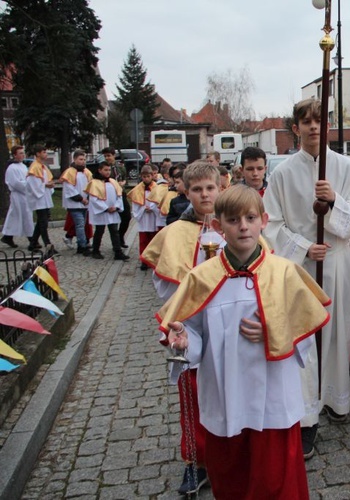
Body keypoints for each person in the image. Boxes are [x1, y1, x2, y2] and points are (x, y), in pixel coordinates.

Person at [161, 185, 330, 499]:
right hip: (226, 396)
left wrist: (274, 334)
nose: (243, 226)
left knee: (276, 480)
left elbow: (304, 334)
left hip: (275, 398)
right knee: (232, 478)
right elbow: (195, 338)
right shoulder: (201, 278)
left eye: (250, 218)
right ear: (217, 226)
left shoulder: (284, 273)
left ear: (263, 221)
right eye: (233, 219)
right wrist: (184, 341)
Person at [263, 98, 350, 458]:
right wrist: (305, 247)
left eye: (319, 121)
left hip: (338, 263)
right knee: (305, 343)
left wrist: (335, 199)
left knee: (337, 331)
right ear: (296, 128)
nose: (313, 127)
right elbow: (271, 225)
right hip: (300, 268)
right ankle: (307, 415)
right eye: (306, 121)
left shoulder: (346, 167)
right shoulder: (281, 174)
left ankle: (336, 399)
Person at [141, 161, 222, 495]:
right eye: (197, 189)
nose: (204, 194)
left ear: (221, 187)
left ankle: (227, 455)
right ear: (186, 192)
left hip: (226, 323)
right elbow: (164, 288)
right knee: (192, 395)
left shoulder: (233, 225)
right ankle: (196, 462)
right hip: (190, 324)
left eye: (210, 187)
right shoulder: (174, 233)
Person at [84, 161, 129, 261]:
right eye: (105, 170)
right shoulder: (94, 183)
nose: (108, 172)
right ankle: (95, 250)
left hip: (113, 211)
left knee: (114, 231)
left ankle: (118, 252)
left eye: (109, 170)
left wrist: (116, 207)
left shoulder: (113, 182)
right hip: (101, 212)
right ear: (99, 170)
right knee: (99, 231)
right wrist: (105, 208)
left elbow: (119, 196)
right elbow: (94, 199)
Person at [60, 150, 93, 255]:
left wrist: (87, 198)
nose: (83, 161)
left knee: (81, 225)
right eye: (80, 159)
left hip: (85, 204)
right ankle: (82, 246)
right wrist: (81, 199)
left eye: (84, 159)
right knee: (79, 224)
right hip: (74, 204)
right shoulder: (69, 172)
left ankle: (82, 244)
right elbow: (69, 189)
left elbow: (90, 186)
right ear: (74, 159)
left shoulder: (87, 172)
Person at [1, 145, 34, 248]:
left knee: (16, 217)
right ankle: (32, 239)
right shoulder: (12, 168)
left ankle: (8, 236)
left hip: (24, 196)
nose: (23, 155)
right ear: (15, 155)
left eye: (23, 153)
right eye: (20, 153)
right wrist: (28, 186)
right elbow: (15, 183)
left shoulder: (23, 166)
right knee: (23, 216)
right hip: (18, 196)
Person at [127, 164, 161, 264]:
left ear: (152, 176)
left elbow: (160, 202)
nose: (146, 179)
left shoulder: (157, 188)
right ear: (141, 177)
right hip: (143, 218)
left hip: (154, 218)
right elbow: (135, 206)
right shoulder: (137, 189)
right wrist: (142, 209)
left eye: (148, 176)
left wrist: (153, 208)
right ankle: (144, 260)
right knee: (143, 240)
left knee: (153, 239)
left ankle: (153, 259)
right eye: (144, 176)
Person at [26, 144, 56, 253]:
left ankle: (33, 243)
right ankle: (47, 244)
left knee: (41, 221)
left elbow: (44, 180)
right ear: (38, 154)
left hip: (44, 197)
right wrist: (45, 185)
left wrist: (49, 184)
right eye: (44, 152)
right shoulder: (35, 167)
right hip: (39, 199)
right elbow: (33, 184)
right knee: (43, 222)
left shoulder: (42, 166)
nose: (46, 154)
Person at [101, 147, 131, 249]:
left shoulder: (120, 167)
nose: (107, 158)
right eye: (105, 156)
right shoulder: (103, 168)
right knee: (112, 221)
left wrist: (123, 183)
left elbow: (124, 178)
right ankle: (116, 242)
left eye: (109, 155)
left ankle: (120, 236)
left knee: (127, 217)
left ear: (114, 155)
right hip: (110, 196)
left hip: (121, 194)